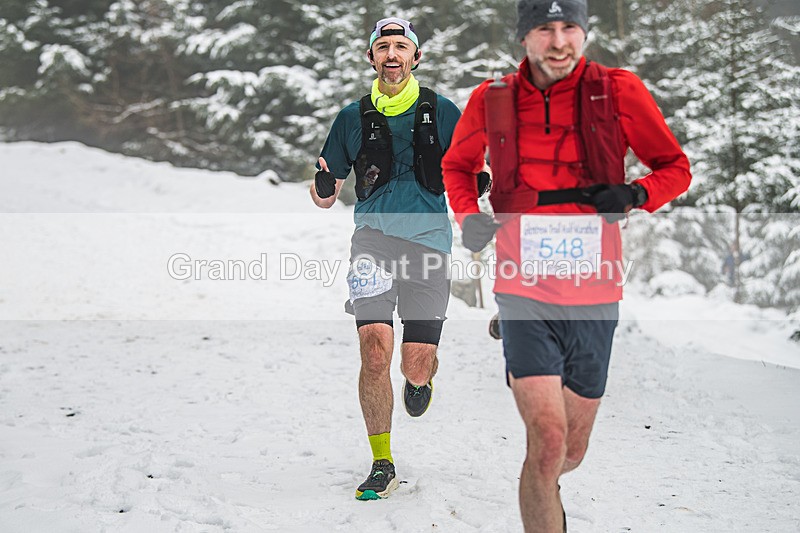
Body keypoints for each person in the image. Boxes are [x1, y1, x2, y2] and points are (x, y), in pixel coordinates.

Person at [441, 0, 691, 530]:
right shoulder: (494, 98)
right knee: (547, 440)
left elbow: (675, 168)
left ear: (583, 32)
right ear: (524, 39)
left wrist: (635, 191)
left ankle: (548, 492)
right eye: (544, 30)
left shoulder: (619, 90)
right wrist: (468, 217)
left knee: (569, 453)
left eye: (569, 28)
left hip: (594, 291)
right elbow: (458, 166)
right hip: (521, 285)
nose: (559, 42)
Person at [310, 17, 461, 501]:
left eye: (401, 47)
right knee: (374, 350)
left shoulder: (443, 111)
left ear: (416, 57)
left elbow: (473, 170)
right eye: (383, 47)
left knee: (414, 365)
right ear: (371, 57)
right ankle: (381, 461)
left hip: (430, 244)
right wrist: (321, 187)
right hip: (372, 243)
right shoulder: (351, 118)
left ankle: (423, 380)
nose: (392, 55)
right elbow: (327, 192)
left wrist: (479, 182)